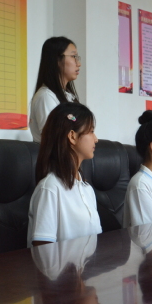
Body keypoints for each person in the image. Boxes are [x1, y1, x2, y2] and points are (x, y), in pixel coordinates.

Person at [28, 102, 101, 247]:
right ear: (72, 136)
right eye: (91, 131)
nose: (96, 139)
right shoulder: (50, 189)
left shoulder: (86, 188)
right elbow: (43, 250)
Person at [29, 36, 81, 143]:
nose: (78, 63)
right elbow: (53, 140)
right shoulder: (46, 96)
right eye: (73, 56)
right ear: (57, 59)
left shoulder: (69, 96)